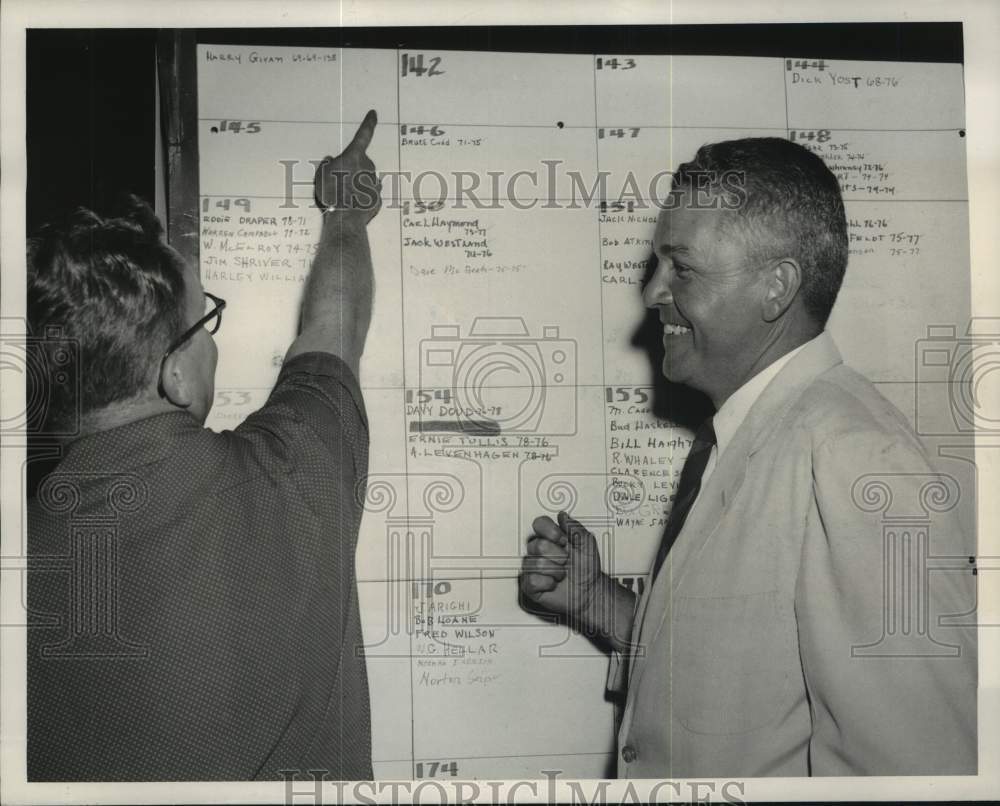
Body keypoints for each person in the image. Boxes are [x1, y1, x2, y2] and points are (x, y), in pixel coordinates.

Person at [520, 138, 977, 777]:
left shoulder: (855, 458)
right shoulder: (745, 436)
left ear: (776, 288)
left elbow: (917, 769)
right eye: (658, 264)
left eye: (682, 268)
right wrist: (598, 601)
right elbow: (749, 674)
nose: (652, 292)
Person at [26, 112, 381, 780]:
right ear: (175, 374)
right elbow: (334, 327)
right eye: (203, 324)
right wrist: (345, 213)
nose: (211, 344)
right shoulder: (287, 476)